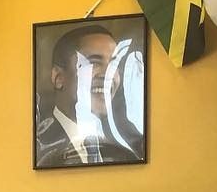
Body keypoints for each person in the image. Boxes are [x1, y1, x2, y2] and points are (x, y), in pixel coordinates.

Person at [35, 23, 144, 168]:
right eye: (94, 62)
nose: (108, 74)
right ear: (58, 77)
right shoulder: (39, 145)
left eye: (114, 64)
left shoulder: (128, 150)